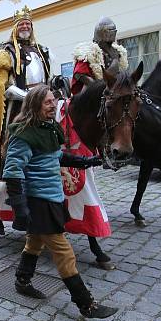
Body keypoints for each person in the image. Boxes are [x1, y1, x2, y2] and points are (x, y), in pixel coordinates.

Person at [2, 85, 117, 319]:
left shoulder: (48, 128)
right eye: (47, 102)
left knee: (34, 243)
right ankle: (86, 305)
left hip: (52, 198)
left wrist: (85, 161)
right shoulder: (24, 133)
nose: (53, 105)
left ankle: (22, 281)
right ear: (35, 105)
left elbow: (56, 156)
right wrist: (20, 208)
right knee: (65, 253)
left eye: (54, 101)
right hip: (38, 201)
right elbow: (13, 171)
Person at [58, 16, 128, 269]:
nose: (111, 33)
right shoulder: (88, 53)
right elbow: (82, 80)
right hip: (92, 98)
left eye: (114, 30)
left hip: (109, 98)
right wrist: (101, 87)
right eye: (108, 30)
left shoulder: (117, 53)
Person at [0, 5, 51, 190]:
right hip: (21, 102)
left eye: (27, 24)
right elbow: (6, 87)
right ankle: (5, 173)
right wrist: (29, 97)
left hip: (43, 99)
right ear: (15, 28)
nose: (25, 27)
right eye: (21, 24)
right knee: (9, 133)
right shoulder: (7, 52)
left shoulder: (41, 51)